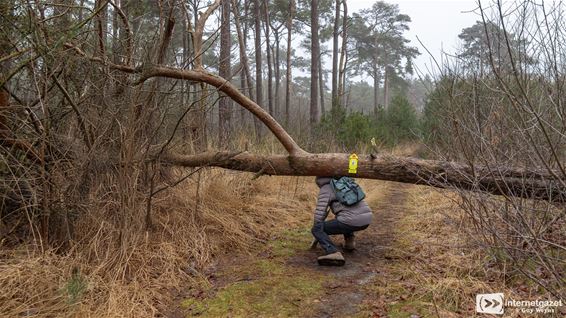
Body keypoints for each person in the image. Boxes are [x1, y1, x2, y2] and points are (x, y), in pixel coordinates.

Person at [310, 176, 373, 266]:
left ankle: (333, 252)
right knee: (343, 218)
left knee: (316, 228)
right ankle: (349, 243)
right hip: (367, 218)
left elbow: (320, 213)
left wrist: (317, 232)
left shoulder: (326, 188)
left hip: (351, 220)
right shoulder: (344, 182)